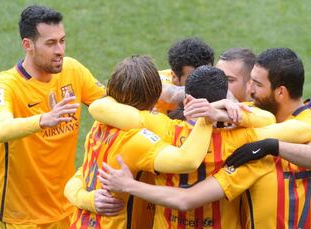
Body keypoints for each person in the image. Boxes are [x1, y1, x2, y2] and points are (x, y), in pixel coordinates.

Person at [97, 48, 311, 228]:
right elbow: (300, 130)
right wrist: (240, 117)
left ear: (188, 100)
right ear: (227, 97)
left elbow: (102, 108)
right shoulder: (245, 143)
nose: (250, 91)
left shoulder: (160, 130)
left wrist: (172, 94)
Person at [0, 5, 106, 228]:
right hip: (23, 217)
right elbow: (1, 130)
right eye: (51, 43)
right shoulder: (5, 85)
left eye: (62, 40)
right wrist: (43, 120)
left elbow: (109, 100)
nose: (60, 49)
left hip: (68, 207)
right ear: (28, 45)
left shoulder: (73, 70)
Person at [65, 55, 215, 228]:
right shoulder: (136, 139)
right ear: (154, 98)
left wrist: (86, 199)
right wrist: (206, 117)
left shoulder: (98, 124)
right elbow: (187, 160)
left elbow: (81, 174)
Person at [156, 37, 215, 115]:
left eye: (208, 75)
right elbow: (173, 94)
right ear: (174, 77)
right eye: (194, 78)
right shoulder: (154, 81)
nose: (205, 82)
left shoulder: (217, 80)